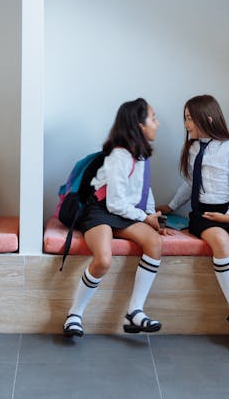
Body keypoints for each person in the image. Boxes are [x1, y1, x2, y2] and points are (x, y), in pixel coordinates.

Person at [161, 94, 229, 344]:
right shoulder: (192, 148)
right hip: (204, 213)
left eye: (189, 119)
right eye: (185, 119)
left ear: (207, 118)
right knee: (220, 240)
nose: (186, 125)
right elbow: (190, 183)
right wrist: (172, 206)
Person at [63, 97, 165, 339]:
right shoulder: (119, 155)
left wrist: (152, 217)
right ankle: (74, 314)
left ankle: (135, 311)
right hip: (100, 210)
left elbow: (143, 190)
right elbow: (115, 202)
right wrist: (144, 217)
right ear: (139, 126)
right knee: (103, 259)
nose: (158, 123)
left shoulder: (141, 156)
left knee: (154, 243)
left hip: (123, 213)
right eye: (153, 118)